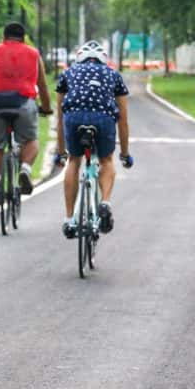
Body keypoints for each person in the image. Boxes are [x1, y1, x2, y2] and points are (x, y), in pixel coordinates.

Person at [55, 40, 133, 239]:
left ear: (79, 58)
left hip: (74, 118)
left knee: (74, 160)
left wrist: (61, 152)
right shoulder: (113, 75)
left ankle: (70, 219)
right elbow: (123, 119)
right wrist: (125, 153)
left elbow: (60, 115)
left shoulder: (68, 73)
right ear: (104, 59)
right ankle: (105, 202)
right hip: (103, 119)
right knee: (106, 161)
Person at [0, 22, 53, 205]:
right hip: (23, 105)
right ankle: (25, 169)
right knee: (31, 140)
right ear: (23, 38)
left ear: (4, 37)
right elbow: (42, 85)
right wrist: (46, 107)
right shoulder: (33, 54)